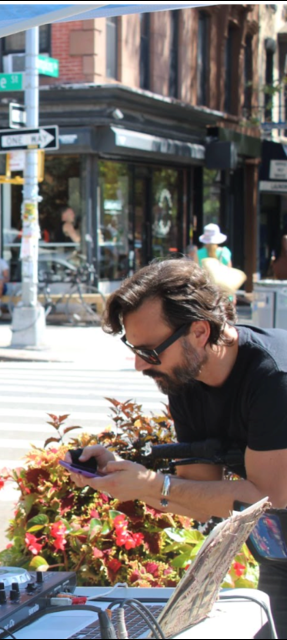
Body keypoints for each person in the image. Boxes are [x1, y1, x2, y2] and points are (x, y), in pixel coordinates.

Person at [65, 258, 287, 632]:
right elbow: (200, 499)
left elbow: (269, 497)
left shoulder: (273, 379)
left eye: (150, 351)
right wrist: (123, 480)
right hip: (279, 546)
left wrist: (153, 485)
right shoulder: (185, 376)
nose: (139, 364)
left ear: (200, 332)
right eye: (134, 349)